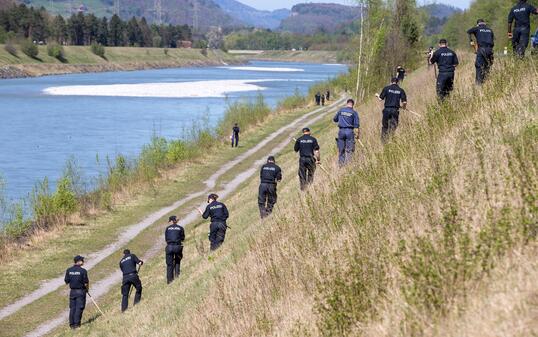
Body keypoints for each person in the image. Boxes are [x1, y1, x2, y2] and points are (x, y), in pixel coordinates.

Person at [377, 78, 407, 142]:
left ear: (391, 82)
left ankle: (384, 141)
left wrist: (377, 95)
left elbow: (380, 99)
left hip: (386, 110)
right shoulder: (401, 90)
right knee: (393, 126)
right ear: (397, 82)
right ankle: (390, 139)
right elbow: (404, 102)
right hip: (395, 110)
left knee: (385, 126)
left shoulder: (386, 88)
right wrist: (404, 107)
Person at [64, 255, 89, 329]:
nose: (83, 261)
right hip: (81, 291)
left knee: (72, 308)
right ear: (79, 261)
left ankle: (71, 325)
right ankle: (77, 324)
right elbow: (86, 282)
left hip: (72, 292)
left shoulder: (69, 270)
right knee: (79, 308)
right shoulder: (83, 271)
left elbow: (66, 281)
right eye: (82, 260)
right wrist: (87, 289)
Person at [467, 19, 495, 85]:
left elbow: (468, 32)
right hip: (490, 50)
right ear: (484, 23)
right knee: (488, 66)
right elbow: (492, 39)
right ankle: (486, 82)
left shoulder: (477, 28)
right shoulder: (490, 30)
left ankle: (479, 84)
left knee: (479, 66)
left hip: (481, 49)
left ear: (478, 24)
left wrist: (471, 41)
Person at [333, 99, 360, 165]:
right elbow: (356, 125)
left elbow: (335, 119)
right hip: (349, 131)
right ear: (353, 105)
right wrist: (357, 135)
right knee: (349, 150)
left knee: (341, 149)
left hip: (341, 131)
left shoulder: (341, 110)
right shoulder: (354, 112)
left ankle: (341, 165)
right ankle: (349, 165)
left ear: (347, 103)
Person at [164, 215, 185, 284]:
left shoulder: (167, 228)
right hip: (177, 247)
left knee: (169, 265)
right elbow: (183, 238)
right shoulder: (180, 228)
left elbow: (166, 239)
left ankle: (170, 281)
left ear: (171, 221)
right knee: (177, 260)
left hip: (169, 247)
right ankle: (177, 275)